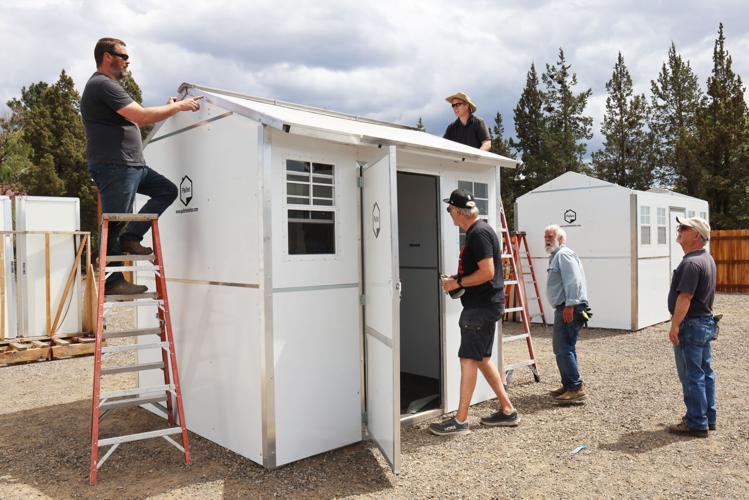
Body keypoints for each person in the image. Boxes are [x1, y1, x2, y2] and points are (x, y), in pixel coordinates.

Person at [81, 37, 203, 295]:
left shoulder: (108, 86)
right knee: (113, 222)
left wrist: (169, 108)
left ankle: (132, 236)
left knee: (166, 191)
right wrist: (179, 107)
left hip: (132, 166)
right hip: (116, 165)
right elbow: (142, 116)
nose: (127, 61)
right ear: (106, 57)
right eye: (123, 56)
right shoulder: (102, 85)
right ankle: (113, 283)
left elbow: (140, 115)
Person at [429, 189, 520, 435]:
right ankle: (508, 410)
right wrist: (457, 278)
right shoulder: (482, 230)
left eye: (450, 210)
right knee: (482, 358)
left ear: (459, 212)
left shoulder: (478, 234)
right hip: (485, 305)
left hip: (480, 308)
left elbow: (487, 272)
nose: (449, 214)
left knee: (468, 358)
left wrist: (457, 283)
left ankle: (460, 421)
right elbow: (480, 272)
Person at [667, 216, 717, 438]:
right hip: (704, 322)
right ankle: (707, 417)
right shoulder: (706, 259)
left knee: (691, 374)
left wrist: (675, 325)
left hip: (692, 323)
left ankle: (696, 422)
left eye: (684, 228)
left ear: (696, 235)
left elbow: (685, 297)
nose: (679, 230)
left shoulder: (691, 263)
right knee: (704, 372)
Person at [544, 224, 589, 404]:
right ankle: (570, 383)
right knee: (566, 347)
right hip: (566, 306)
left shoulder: (563, 254)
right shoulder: (556, 256)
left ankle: (575, 388)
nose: (547, 239)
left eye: (551, 236)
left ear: (561, 239)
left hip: (569, 307)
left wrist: (570, 305)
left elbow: (573, 281)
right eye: (545, 236)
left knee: (562, 347)